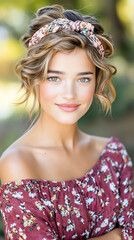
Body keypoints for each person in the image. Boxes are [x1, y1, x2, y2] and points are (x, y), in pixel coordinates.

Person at [0, 4, 133, 240]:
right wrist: (115, 236)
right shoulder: (18, 163)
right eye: (55, 78)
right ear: (34, 79)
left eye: (83, 79)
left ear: (96, 82)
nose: (69, 94)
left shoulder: (114, 155)